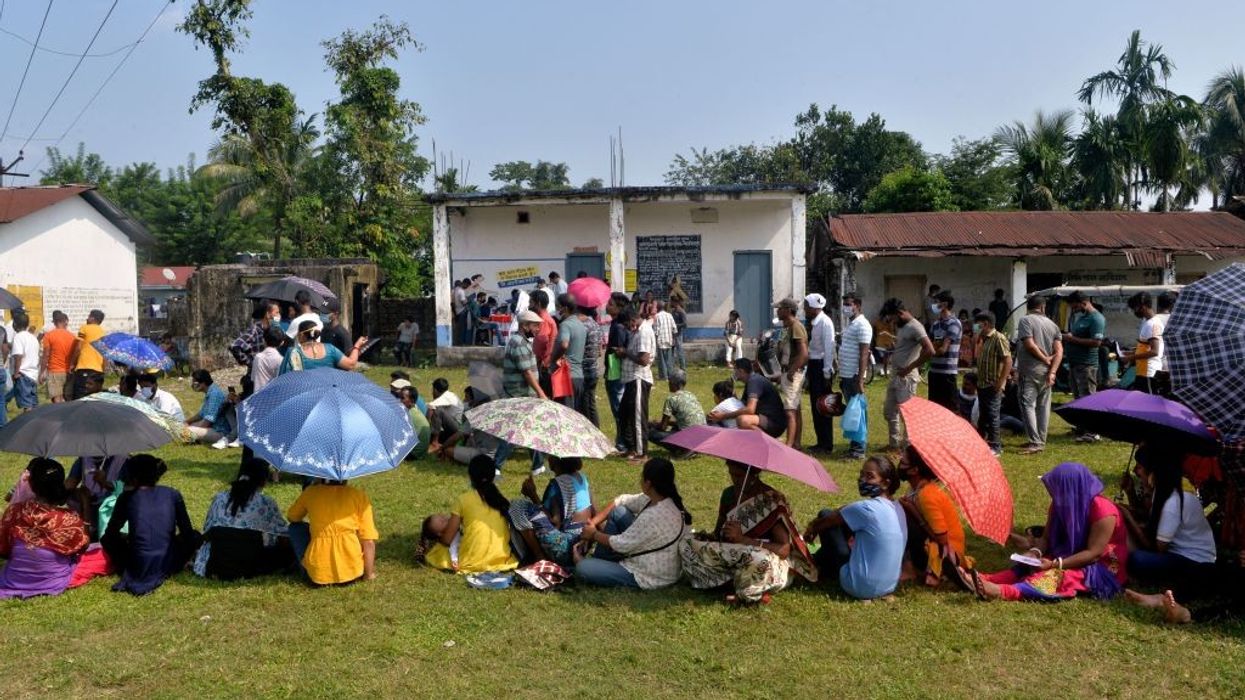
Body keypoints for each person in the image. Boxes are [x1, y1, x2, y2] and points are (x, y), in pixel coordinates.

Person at [969, 462, 1127, 602]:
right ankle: (988, 579)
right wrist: (1035, 553)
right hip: (1069, 555)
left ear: (1070, 489)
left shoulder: (1103, 511)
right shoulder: (1060, 504)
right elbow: (1046, 538)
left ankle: (1003, 591)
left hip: (1101, 565)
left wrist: (1055, 564)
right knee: (1028, 566)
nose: (1053, 495)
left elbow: (1094, 553)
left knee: (1059, 576)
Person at [682, 459, 818, 604]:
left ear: (755, 474)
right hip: (733, 556)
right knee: (687, 543)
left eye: (740, 476)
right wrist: (708, 537)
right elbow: (718, 534)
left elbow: (784, 550)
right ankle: (736, 582)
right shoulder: (729, 495)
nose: (735, 480)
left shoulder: (770, 500)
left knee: (759, 561)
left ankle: (748, 591)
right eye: (731, 474)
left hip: (764, 559)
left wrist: (744, 540)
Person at [575, 457, 691, 589]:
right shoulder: (664, 500)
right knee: (619, 511)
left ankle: (599, 565)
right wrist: (592, 523)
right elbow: (622, 501)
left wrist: (594, 534)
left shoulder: (651, 516)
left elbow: (621, 544)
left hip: (650, 575)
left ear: (648, 483)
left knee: (583, 567)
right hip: (660, 562)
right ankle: (602, 562)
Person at [1121, 444, 1217, 603]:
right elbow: (1149, 518)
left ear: (1152, 475)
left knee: (1137, 559)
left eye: (1139, 467)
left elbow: (1157, 547)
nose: (1135, 471)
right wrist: (1130, 492)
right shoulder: (1163, 493)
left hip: (1195, 564)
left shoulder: (1172, 502)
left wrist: (1126, 515)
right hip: (1182, 556)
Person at [803, 455, 907, 601]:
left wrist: (812, 528)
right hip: (888, 586)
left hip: (858, 587)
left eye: (869, 476)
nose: (862, 479)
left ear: (885, 483)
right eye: (861, 474)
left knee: (825, 513)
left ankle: (818, 566)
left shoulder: (867, 509)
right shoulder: (898, 508)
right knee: (845, 522)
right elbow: (846, 511)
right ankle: (818, 563)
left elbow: (825, 521)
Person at [0, 459, 101, 599]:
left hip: (14, 578)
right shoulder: (67, 518)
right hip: (52, 580)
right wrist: (85, 504)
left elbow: (3, 549)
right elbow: (83, 546)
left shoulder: (14, 511)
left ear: (31, 484)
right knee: (100, 555)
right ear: (60, 485)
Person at [102, 455, 202, 596]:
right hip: (168, 560)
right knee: (195, 536)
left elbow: (111, 534)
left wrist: (127, 538)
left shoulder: (127, 497)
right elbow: (187, 533)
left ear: (133, 477)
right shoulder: (172, 494)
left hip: (138, 561)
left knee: (107, 540)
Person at [192, 459, 293, 579]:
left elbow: (208, 528)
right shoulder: (266, 503)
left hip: (215, 563)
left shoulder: (220, 498)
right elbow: (283, 534)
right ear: (264, 481)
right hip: (251, 565)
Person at [427, 455, 518, 575]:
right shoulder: (502, 500)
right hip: (501, 559)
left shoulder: (463, 500)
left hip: (471, 562)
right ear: (493, 476)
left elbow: (448, 539)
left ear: (470, 477)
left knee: (438, 552)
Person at [898, 447, 973, 588]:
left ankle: (911, 570)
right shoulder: (916, 489)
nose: (900, 463)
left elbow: (942, 540)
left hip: (946, 553)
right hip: (934, 544)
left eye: (903, 461)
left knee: (906, 520)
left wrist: (913, 512)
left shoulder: (928, 495)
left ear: (915, 470)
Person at [286, 478, 379, 585]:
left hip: (317, 576)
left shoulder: (311, 493)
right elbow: (368, 541)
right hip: (353, 573)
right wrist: (368, 574)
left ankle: (306, 563)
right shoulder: (358, 495)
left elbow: (292, 517)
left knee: (295, 528)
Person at [508, 456, 593, 567]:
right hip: (582, 546)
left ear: (557, 460)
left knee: (518, 505)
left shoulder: (557, 484)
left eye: (550, 456)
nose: (548, 458)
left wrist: (533, 495)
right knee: (530, 508)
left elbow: (554, 522)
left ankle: (539, 556)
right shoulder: (582, 478)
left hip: (565, 549)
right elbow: (594, 510)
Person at [497, 310, 547, 475]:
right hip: (519, 394)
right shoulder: (519, 343)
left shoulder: (521, 341)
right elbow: (527, 373)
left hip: (523, 393)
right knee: (514, 432)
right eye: (535, 326)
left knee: (532, 429)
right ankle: (496, 466)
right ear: (524, 326)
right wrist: (541, 392)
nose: (538, 329)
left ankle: (538, 465)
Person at [879, 298, 933, 451]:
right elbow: (906, 347)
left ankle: (908, 448)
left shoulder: (916, 327)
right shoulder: (902, 326)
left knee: (907, 415)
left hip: (907, 378)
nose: (891, 321)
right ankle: (894, 444)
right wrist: (895, 348)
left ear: (900, 313)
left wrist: (909, 368)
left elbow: (930, 350)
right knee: (890, 411)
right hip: (896, 375)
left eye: (892, 317)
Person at [1014, 296, 1061, 455]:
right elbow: (1059, 351)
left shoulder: (1025, 321)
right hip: (1047, 373)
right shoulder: (1053, 325)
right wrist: (1052, 370)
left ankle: (1035, 442)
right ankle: (1040, 440)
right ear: (1043, 307)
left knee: (1027, 405)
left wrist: (1045, 359)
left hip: (1030, 370)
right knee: (1043, 407)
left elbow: (1029, 344)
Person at [1062, 291, 1105, 442]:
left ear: (1083, 302)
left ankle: (1092, 432)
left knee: (1088, 399)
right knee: (1078, 399)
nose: (1073, 308)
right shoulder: (1082, 317)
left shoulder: (1096, 318)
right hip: (1075, 364)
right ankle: (1081, 428)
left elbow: (1096, 343)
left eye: (1074, 305)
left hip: (1087, 364)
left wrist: (1071, 339)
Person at [709, 358, 785, 440]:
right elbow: (743, 405)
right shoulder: (751, 381)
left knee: (743, 420)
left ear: (741, 371)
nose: (734, 374)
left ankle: (771, 442)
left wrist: (723, 416)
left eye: (735, 370)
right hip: (767, 420)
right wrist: (734, 398)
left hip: (773, 422)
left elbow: (750, 410)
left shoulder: (754, 382)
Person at [837, 294, 873, 459]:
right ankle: (854, 446)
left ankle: (859, 450)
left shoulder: (863, 325)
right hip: (846, 374)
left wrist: (860, 379)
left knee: (858, 412)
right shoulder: (852, 324)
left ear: (857, 305)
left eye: (848, 304)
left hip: (854, 375)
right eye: (844, 304)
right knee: (852, 412)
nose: (845, 307)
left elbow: (864, 354)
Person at [618, 307, 656, 461]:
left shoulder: (644, 332)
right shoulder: (636, 332)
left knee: (637, 417)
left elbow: (643, 360)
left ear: (632, 320)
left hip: (639, 378)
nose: (626, 328)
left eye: (626, 324)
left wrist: (625, 352)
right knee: (625, 415)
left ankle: (642, 453)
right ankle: (631, 448)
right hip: (630, 379)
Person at [973, 311, 1012, 457]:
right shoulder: (984, 339)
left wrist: (1001, 382)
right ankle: (981, 441)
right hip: (982, 383)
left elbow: (1008, 360)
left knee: (993, 414)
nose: (975, 326)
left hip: (993, 384)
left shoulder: (998, 338)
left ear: (986, 324)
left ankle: (996, 446)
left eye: (978, 324)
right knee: (983, 415)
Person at [771, 298, 808, 448]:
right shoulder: (785, 328)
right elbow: (781, 351)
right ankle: (796, 443)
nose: (777, 311)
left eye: (779, 308)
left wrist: (792, 371)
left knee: (790, 411)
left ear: (788, 310)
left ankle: (790, 444)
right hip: (785, 372)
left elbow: (804, 353)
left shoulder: (796, 326)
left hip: (793, 373)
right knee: (795, 409)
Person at [804, 294, 836, 453]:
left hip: (821, 365)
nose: (805, 309)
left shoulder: (825, 322)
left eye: (806, 306)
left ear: (814, 307)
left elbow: (829, 348)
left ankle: (827, 443)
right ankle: (820, 441)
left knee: (823, 405)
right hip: (814, 364)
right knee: (815, 404)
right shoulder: (815, 322)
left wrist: (827, 373)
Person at [280, 320, 366, 374]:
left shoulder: (293, 352)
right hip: (327, 395)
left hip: (303, 397)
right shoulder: (330, 349)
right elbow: (351, 364)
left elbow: (283, 378)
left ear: (301, 335)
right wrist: (357, 346)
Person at [229, 302, 277, 399]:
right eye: (276, 313)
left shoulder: (270, 330)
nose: (277, 316)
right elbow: (235, 346)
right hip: (255, 376)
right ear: (267, 314)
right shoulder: (255, 329)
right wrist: (250, 362)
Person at [648, 369, 706, 446]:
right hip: (703, 437)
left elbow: (663, 427)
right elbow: (687, 422)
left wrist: (652, 424)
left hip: (688, 439)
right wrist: (667, 422)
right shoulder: (691, 395)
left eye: (670, 381)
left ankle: (681, 449)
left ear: (673, 383)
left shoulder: (671, 399)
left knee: (649, 433)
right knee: (674, 429)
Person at [1122, 292, 1165, 395]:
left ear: (1143, 306)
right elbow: (1145, 347)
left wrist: (1131, 358)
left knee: (1149, 403)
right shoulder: (1147, 323)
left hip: (1148, 372)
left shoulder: (1153, 324)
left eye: (1135, 308)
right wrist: (1129, 353)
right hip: (1142, 371)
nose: (1134, 312)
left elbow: (1154, 351)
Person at [549, 293, 587, 410]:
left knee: (565, 414)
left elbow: (564, 344)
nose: (556, 310)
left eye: (557, 306)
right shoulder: (581, 325)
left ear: (564, 308)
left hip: (566, 377)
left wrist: (553, 359)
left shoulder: (565, 325)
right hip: (579, 376)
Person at [605, 295, 632, 452]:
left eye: (611, 304)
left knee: (618, 407)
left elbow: (619, 349)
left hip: (616, 371)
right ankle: (621, 440)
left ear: (619, 308)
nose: (607, 307)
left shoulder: (619, 327)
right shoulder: (616, 324)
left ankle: (622, 442)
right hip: (614, 369)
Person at [926, 291, 961, 412]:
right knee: (934, 408)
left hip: (947, 373)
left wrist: (930, 351)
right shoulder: (935, 324)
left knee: (950, 409)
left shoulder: (954, 323)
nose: (934, 305)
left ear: (945, 305)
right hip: (934, 371)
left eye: (936, 303)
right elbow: (929, 344)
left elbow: (943, 349)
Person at [186, 370, 237, 448]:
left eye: (194, 382)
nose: (192, 385)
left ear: (202, 382)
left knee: (187, 431)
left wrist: (193, 429)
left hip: (220, 432)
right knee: (187, 428)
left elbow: (208, 420)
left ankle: (196, 439)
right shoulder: (210, 392)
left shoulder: (214, 394)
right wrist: (187, 422)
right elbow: (201, 414)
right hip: (213, 428)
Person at [68, 309, 106, 400]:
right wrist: (103, 369)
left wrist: (72, 363)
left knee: (79, 396)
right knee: (94, 397)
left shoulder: (84, 328)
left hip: (85, 366)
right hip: (98, 370)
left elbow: (78, 347)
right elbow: (104, 353)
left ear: (92, 318)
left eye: (88, 316)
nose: (87, 318)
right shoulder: (103, 332)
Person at [38, 310, 75, 403]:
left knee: (56, 398)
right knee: (65, 397)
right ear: (64, 322)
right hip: (67, 371)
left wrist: (42, 372)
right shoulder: (72, 336)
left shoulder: (49, 335)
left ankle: (59, 417)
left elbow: (46, 355)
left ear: (55, 322)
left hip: (54, 370)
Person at [9, 310, 39, 412]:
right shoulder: (32, 337)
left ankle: (28, 427)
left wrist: (16, 373)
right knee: (33, 404)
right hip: (33, 374)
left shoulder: (18, 337)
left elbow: (18, 356)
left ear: (15, 324)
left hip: (23, 374)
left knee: (27, 406)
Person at [529, 290, 559, 394]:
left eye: (531, 302)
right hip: (545, 363)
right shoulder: (544, 318)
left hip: (544, 365)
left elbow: (541, 342)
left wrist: (536, 361)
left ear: (538, 303)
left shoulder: (544, 320)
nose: (529, 305)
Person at [577, 304, 602, 426]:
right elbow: (599, 351)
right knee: (590, 403)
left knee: (585, 404)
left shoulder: (584, 326)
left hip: (585, 369)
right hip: (593, 368)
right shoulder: (596, 325)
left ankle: (592, 432)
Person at [396, 386, 432, 460]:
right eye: (399, 398)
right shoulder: (415, 410)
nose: (399, 401)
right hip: (420, 452)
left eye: (402, 398)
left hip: (413, 454)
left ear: (411, 400)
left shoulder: (408, 415)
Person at [250, 326, 285, 395]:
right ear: (282, 343)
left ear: (263, 340)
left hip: (257, 397)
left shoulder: (258, 357)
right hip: (273, 397)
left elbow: (253, 379)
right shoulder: (281, 360)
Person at [651, 301, 676, 381]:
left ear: (658, 308)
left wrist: (654, 341)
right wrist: (673, 339)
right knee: (669, 360)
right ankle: (670, 375)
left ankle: (664, 377)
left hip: (660, 340)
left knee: (662, 361)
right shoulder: (669, 315)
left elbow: (656, 330)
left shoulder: (657, 316)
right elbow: (674, 328)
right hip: (669, 340)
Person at [670, 300, 688, 371]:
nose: (671, 303)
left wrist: (676, 325)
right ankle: (672, 367)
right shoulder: (673, 311)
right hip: (673, 334)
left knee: (679, 350)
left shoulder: (681, 312)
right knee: (672, 351)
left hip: (679, 334)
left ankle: (683, 367)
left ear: (676, 302)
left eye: (672, 302)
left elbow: (685, 324)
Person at [453, 279, 471, 346]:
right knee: (463, 328)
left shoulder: (454, 291)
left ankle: (458, 343)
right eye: (467, 285)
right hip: (462, 311)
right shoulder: (461, 291)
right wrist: (468, 300)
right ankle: (462, 343)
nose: (467, 287)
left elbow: (453, 303)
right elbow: (463, 302)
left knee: (459, 328)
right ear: (464, 283)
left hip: (456, 311)